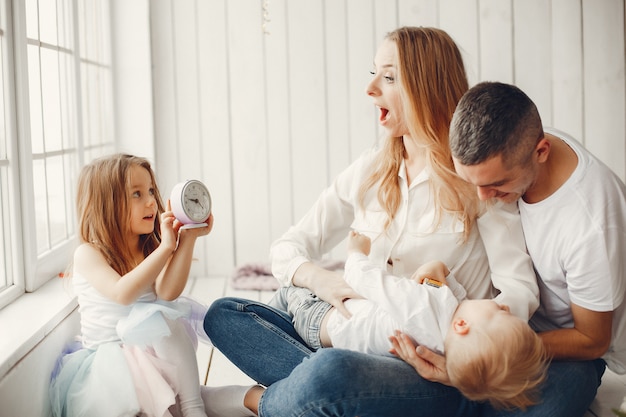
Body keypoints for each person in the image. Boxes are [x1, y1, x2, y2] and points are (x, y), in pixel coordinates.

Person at [204, 27, 539, 416]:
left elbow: (519, 290)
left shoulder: (477, 178)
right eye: (373, 73)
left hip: (425, 369)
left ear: (426, 88)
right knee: (223, 315)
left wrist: (465, 358)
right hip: (351, 333)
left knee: (332, 371)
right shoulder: (371, 169)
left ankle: (262, 400)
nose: (370, 89)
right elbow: (287, 248)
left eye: (390, 77)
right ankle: (319, 396)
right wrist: (323, 280)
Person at [411, 80, 625, 417]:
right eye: (473, 183)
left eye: (496, 184)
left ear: (541, 152)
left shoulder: (589, 225)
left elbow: (592, 339)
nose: (483, 198)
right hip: (495, 325)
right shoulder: (513, 145)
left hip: (570, 350)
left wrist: (488, 352)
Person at [48, 154, 252, 417]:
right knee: (160, 392)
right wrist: (167, 247)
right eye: (136, 194)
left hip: (155, 354)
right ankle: (226, 403)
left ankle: (197, 408)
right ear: (107, 205)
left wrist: (186, 239)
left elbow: (168, 292)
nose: (151, 202)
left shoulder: (148, 249)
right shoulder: (88, 254)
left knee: (166, 319)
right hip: (111, 365)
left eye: (151, 191)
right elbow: (122, 293)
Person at [277, 230, 548, 410]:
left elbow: (369, 280)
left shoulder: (424, 308)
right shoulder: (446, 345)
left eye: (501, 312)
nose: (504, 306)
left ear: (462, 326)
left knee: (290, 292)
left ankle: (280, 303)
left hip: (321, 317)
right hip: (333, 335)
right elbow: (453, 298)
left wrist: (356, 252)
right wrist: (440, 269)